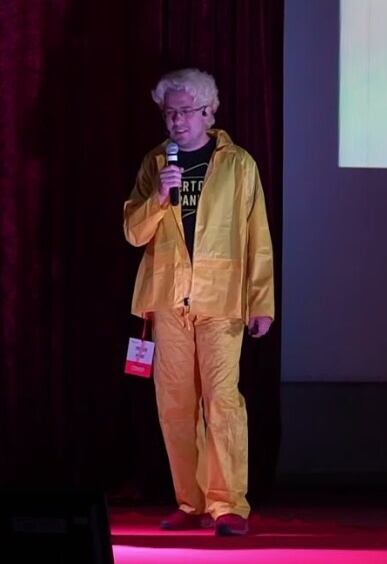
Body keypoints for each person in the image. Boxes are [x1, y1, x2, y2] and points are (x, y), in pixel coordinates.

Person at [123, 68, 275, 536]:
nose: (176, 120)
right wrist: (159, 196)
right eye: (169, 113)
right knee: (175, 403)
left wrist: (261, 301)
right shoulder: (155, 163)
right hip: (168, 298)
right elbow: (133, 233)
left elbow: (257, 236)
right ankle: (190, 501)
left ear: (209, 112)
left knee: (222, 401)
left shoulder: (238, 164)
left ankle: (228, 504)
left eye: (185, 111)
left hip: (221, 300)